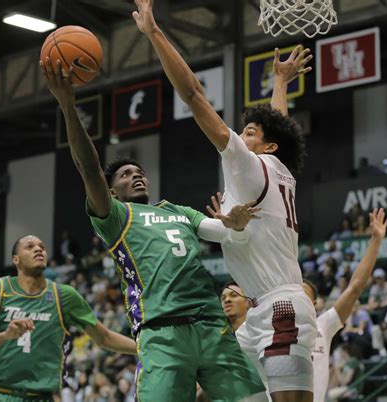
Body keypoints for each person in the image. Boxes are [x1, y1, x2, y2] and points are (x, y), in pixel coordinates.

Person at [40, 60, 265, 401]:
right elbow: (88, 168)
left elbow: (220, 233)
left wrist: (233, 225)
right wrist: (69, 106)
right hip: (161, 333)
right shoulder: (116, 215)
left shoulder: (177, 210)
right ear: (112, 190)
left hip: (210, 325)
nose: (136, 175)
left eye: (139, 171)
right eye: (126, 174)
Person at [133, 1, 316, 400]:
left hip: (282, 307)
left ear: (264, 146)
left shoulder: (250, 166)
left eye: (248, 132)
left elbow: (194, 94)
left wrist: (154, 33)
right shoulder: (278, 169)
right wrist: (281, 83)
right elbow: (278, 128)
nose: (240, 135)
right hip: (255, 315)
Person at [0, 235, 137, 401]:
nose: (38, 249)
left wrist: (143, 349)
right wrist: (5, 336)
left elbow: (104, 337)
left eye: (42, 247)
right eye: (30, 247)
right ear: (16, 259)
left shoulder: (65, 295)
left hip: (42, 397)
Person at [302, 208, 387, 402]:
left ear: (315, 304)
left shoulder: (322, 325)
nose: (298, 297)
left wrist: (375, 241)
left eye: (304, 294)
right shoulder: (275, 327)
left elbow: (355, 288)